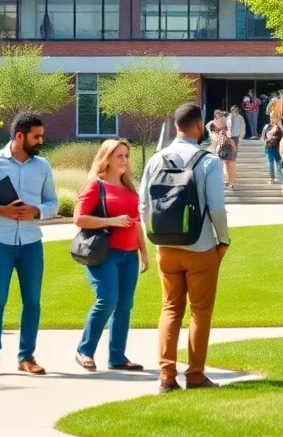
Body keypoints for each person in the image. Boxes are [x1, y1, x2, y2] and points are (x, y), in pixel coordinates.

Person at [143, 102, 230, 394]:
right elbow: (217, 208)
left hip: (165, 245)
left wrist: (154, 235)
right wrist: (223, 240)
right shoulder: (207, 161)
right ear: (197, 126)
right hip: (200, 244)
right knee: (200, 311)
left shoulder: (156, 158)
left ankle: (166, 377)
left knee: (169, 309)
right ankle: (195, 374)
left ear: (175, 125)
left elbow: (143, 204)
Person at [0, 112, 59, 377]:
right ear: (20, 136)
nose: (41, 140)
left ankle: (26, 357)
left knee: (32, 302)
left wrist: (38, 211)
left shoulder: (42, 166)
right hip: (0, 241)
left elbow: (53, 203)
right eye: (36, 136)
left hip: (31, 242)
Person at [73, 139, 149, 372]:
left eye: (126, 156)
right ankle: (84, 351)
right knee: (107, 300)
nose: (125, 160)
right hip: (103, 254)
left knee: (125, 305)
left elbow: (136, 222)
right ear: (106, 158)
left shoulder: (129, 188)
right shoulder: (95, 185)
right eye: (119, 156)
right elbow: (79, 218)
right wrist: (110, 221)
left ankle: (117, 357)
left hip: (129, 255)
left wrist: (144, 251)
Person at [262, 114, 283, 184]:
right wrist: (265, 142)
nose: (272, 119)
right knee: (270, 163)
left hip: (277, 148)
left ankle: (281, 178)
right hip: (269, 148)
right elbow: (263, 136)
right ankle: (272, 178)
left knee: (279, 163)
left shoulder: (279, 127)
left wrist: (280, 125)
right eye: (271, 117)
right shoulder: (267, 126)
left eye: (274, 117)